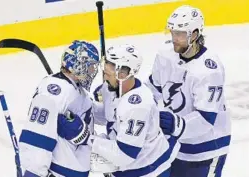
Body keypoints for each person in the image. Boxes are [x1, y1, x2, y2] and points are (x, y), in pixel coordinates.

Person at [145, 5, 231, 177]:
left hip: (208, 148)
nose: (174, 38)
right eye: (173, 32)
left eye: (180, 34)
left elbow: (207, 120)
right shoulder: (165, 55)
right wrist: (125, 95)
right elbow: (152, 90)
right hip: (176, 145)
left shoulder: (209, 70)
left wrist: (176, 124)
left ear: (195, 34)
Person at [73, 44, 180, 177]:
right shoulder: (111, 88)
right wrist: (85, 107)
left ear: (124, 73)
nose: (105, 78)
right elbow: (110, 116)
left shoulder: (137, 106)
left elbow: (125, 154)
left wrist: (86, 137)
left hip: (148, 170)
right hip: (127, 166)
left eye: (108, 73)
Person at [19, 40, 100, 177]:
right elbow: (39, 133)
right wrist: (34, 173)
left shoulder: (77, 90)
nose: (93, 72)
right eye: (90, 67)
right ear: (78, 65)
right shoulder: (56, 90)